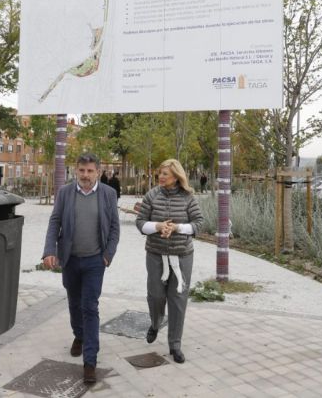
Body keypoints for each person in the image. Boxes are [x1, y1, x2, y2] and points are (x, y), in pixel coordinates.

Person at [42, 152, 120, 385]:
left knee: (90, 306)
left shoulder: (108, 194)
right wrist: (49, 250)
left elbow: (115, 228)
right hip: (70, 260)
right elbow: (55, 221)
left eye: (90, 171)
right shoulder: (65, 193)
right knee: (74, 303)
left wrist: (108, 255)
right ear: (76, 170)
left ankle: (90, 361)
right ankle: (79, 334)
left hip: (96, 261)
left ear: (98, 171)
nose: (85, 175)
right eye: (82, 170)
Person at [135, 159, 204, 364]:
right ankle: (156, 323)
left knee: (178, 300)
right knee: (155, 295)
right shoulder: (151, 195)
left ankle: (175, 344)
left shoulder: (188, 197)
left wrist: (177, 228)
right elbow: (140, 223)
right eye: (160, 173)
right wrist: (157, 226)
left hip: (182, 256)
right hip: (155, 254)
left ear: (176, 175)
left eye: (165, 173)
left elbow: (198, 224)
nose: (161, 177)